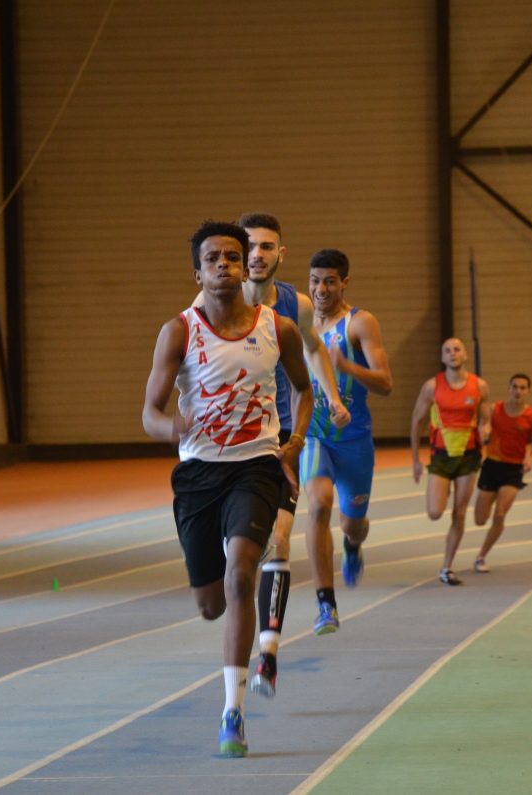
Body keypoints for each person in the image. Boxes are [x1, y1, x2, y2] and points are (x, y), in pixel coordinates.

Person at [142, 220, 313, 758]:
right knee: (211, 604)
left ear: (245, 268)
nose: (224, 265)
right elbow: (149, 412)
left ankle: (232, 713)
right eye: (213, 258)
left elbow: (303, 390)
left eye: (233, 257)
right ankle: (232, 645)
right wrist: (173, 427)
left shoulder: (277, 328)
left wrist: (293, 443)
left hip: (255, 466)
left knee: (243, 572)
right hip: (197, 476)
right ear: (198, 271)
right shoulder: (179, 331)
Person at [195, 213, 349, 700]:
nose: (257, 255)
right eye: (251, 247)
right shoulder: (213, 300)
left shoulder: (295, 305)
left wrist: (333, 398)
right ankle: (249, 623)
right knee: (231, 574)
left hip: (280, 439)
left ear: (281, 254)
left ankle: (269, 654)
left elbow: (313, 350)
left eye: (267, 247)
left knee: (279, 543)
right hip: (224, 449)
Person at [303, 248, 392, 633]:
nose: (321, 289)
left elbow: (386, 383)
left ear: (344, 283)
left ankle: (353, 547)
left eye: (329, 281)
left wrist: (347, 366)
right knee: (319, 505)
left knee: (352, 524)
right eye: (315, 281)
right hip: (314, 436)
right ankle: (326, 604)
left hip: (354, 442)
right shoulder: (299, 323)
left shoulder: (359, 323)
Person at [409, 338, 490, 585]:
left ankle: (447, 566)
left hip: (468, 456)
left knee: (460, 512)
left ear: (465, 355)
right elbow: (417, 422)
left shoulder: (480, 386)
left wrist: (485, 431)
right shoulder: (432, 387)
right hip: (441, 456)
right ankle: (446, 563)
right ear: (442, 358)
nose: (452, 353)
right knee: (435, 512)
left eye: (457, 349)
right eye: (447, 350)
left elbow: (485, 419)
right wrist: (415, 459)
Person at [473, 373, 532, 572]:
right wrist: (483, 431)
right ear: (509, 388)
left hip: (513, 470)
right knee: (479, 519)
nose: (518, 391)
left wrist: (530, 459)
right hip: (492, 466)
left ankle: (481, 556)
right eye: (515, 387)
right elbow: (483, 425)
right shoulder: (495, 409)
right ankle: (482, 548)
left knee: (500, 514)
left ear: (528, 391)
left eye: (522, 388)